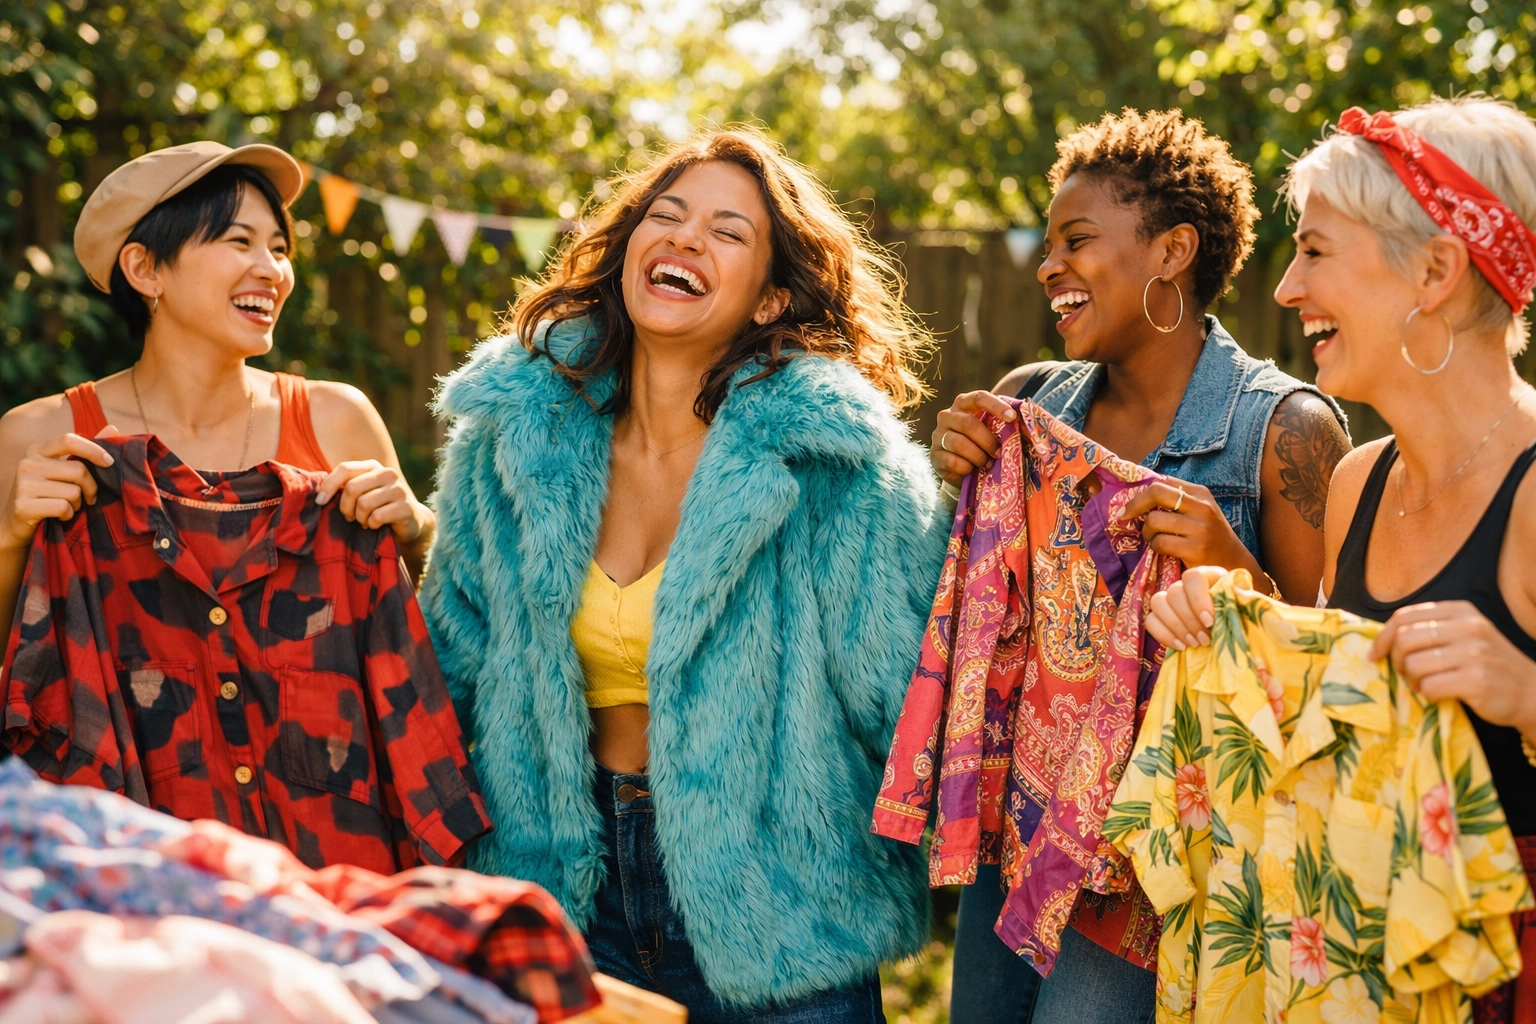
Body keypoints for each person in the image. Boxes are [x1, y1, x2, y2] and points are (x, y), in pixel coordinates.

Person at [418, 127, 946, 1023]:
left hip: (783, 908)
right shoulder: (508, 441)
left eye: (727, 232)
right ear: (628, 251)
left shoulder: (840, 468)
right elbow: (450, 668)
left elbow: (906, 704)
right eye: (665, 216)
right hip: (555, 895)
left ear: (772, 299)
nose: (685, 238)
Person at [930, 109, 1352, 1024]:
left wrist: (1231, 564)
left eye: (1076, 241)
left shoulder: (1283, 431)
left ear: (1172, 250)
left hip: (1152, 858)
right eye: (1045, 246)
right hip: (1017, 831)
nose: (1049, 268)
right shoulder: (1026, 406)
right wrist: (952, 480)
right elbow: (964, 614)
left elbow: (1328, 685)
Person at [1144, 96, 1536, 1021]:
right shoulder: (1359, 482)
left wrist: (1528, 693)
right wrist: (1231, 607)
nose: (1284, 288)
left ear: (1435, 269)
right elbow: (1339, 731)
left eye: (1315, 250)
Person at [0, 141, 435, 636]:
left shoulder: (337, 419)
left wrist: (419, 534)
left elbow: (424, 634)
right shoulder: (40, 437)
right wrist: (10, 540)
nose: (274, 271)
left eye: (278, 248)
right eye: (238, 241)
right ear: (145, 269)